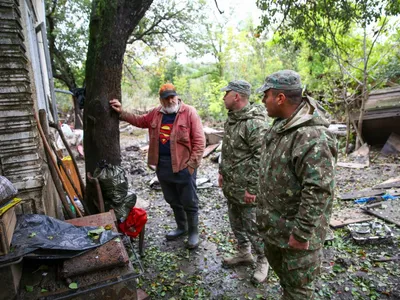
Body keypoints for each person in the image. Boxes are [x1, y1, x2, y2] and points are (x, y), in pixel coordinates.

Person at [256, 70, 337, 299]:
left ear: (280, 98)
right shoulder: (280, 125)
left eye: (266, 95)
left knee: (298, 290)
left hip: (296, 236)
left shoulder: (311, 136)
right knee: (287, 282)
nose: (263, 101)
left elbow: (318, 190)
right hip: (276, 229)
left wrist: (301, 234)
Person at [110, 83, 205, 249]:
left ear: (176, 96)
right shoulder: (156, 113)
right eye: (166, 98)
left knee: (189, 201)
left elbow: (199, 141)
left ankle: (193, 232)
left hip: (183, 165)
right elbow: (140, 121)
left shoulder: (189, 112)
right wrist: (121, 112)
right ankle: (181, 227)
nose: (170, 101)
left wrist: (191, 165)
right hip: (163, 166)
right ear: (160, 100)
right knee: (172, 199)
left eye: (172, 97)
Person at [218, 80, 270, 283]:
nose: (224, 97)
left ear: (236, 96)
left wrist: (252, 188)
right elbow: (227, 149)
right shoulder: (231, 119)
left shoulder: (254, 123)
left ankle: (263, 260)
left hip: (247, 189)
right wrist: (222, 172)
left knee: (253, 227)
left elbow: (261, 157)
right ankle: (244, 253)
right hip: (232, 186)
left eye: (226, 93)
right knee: (236, 223)